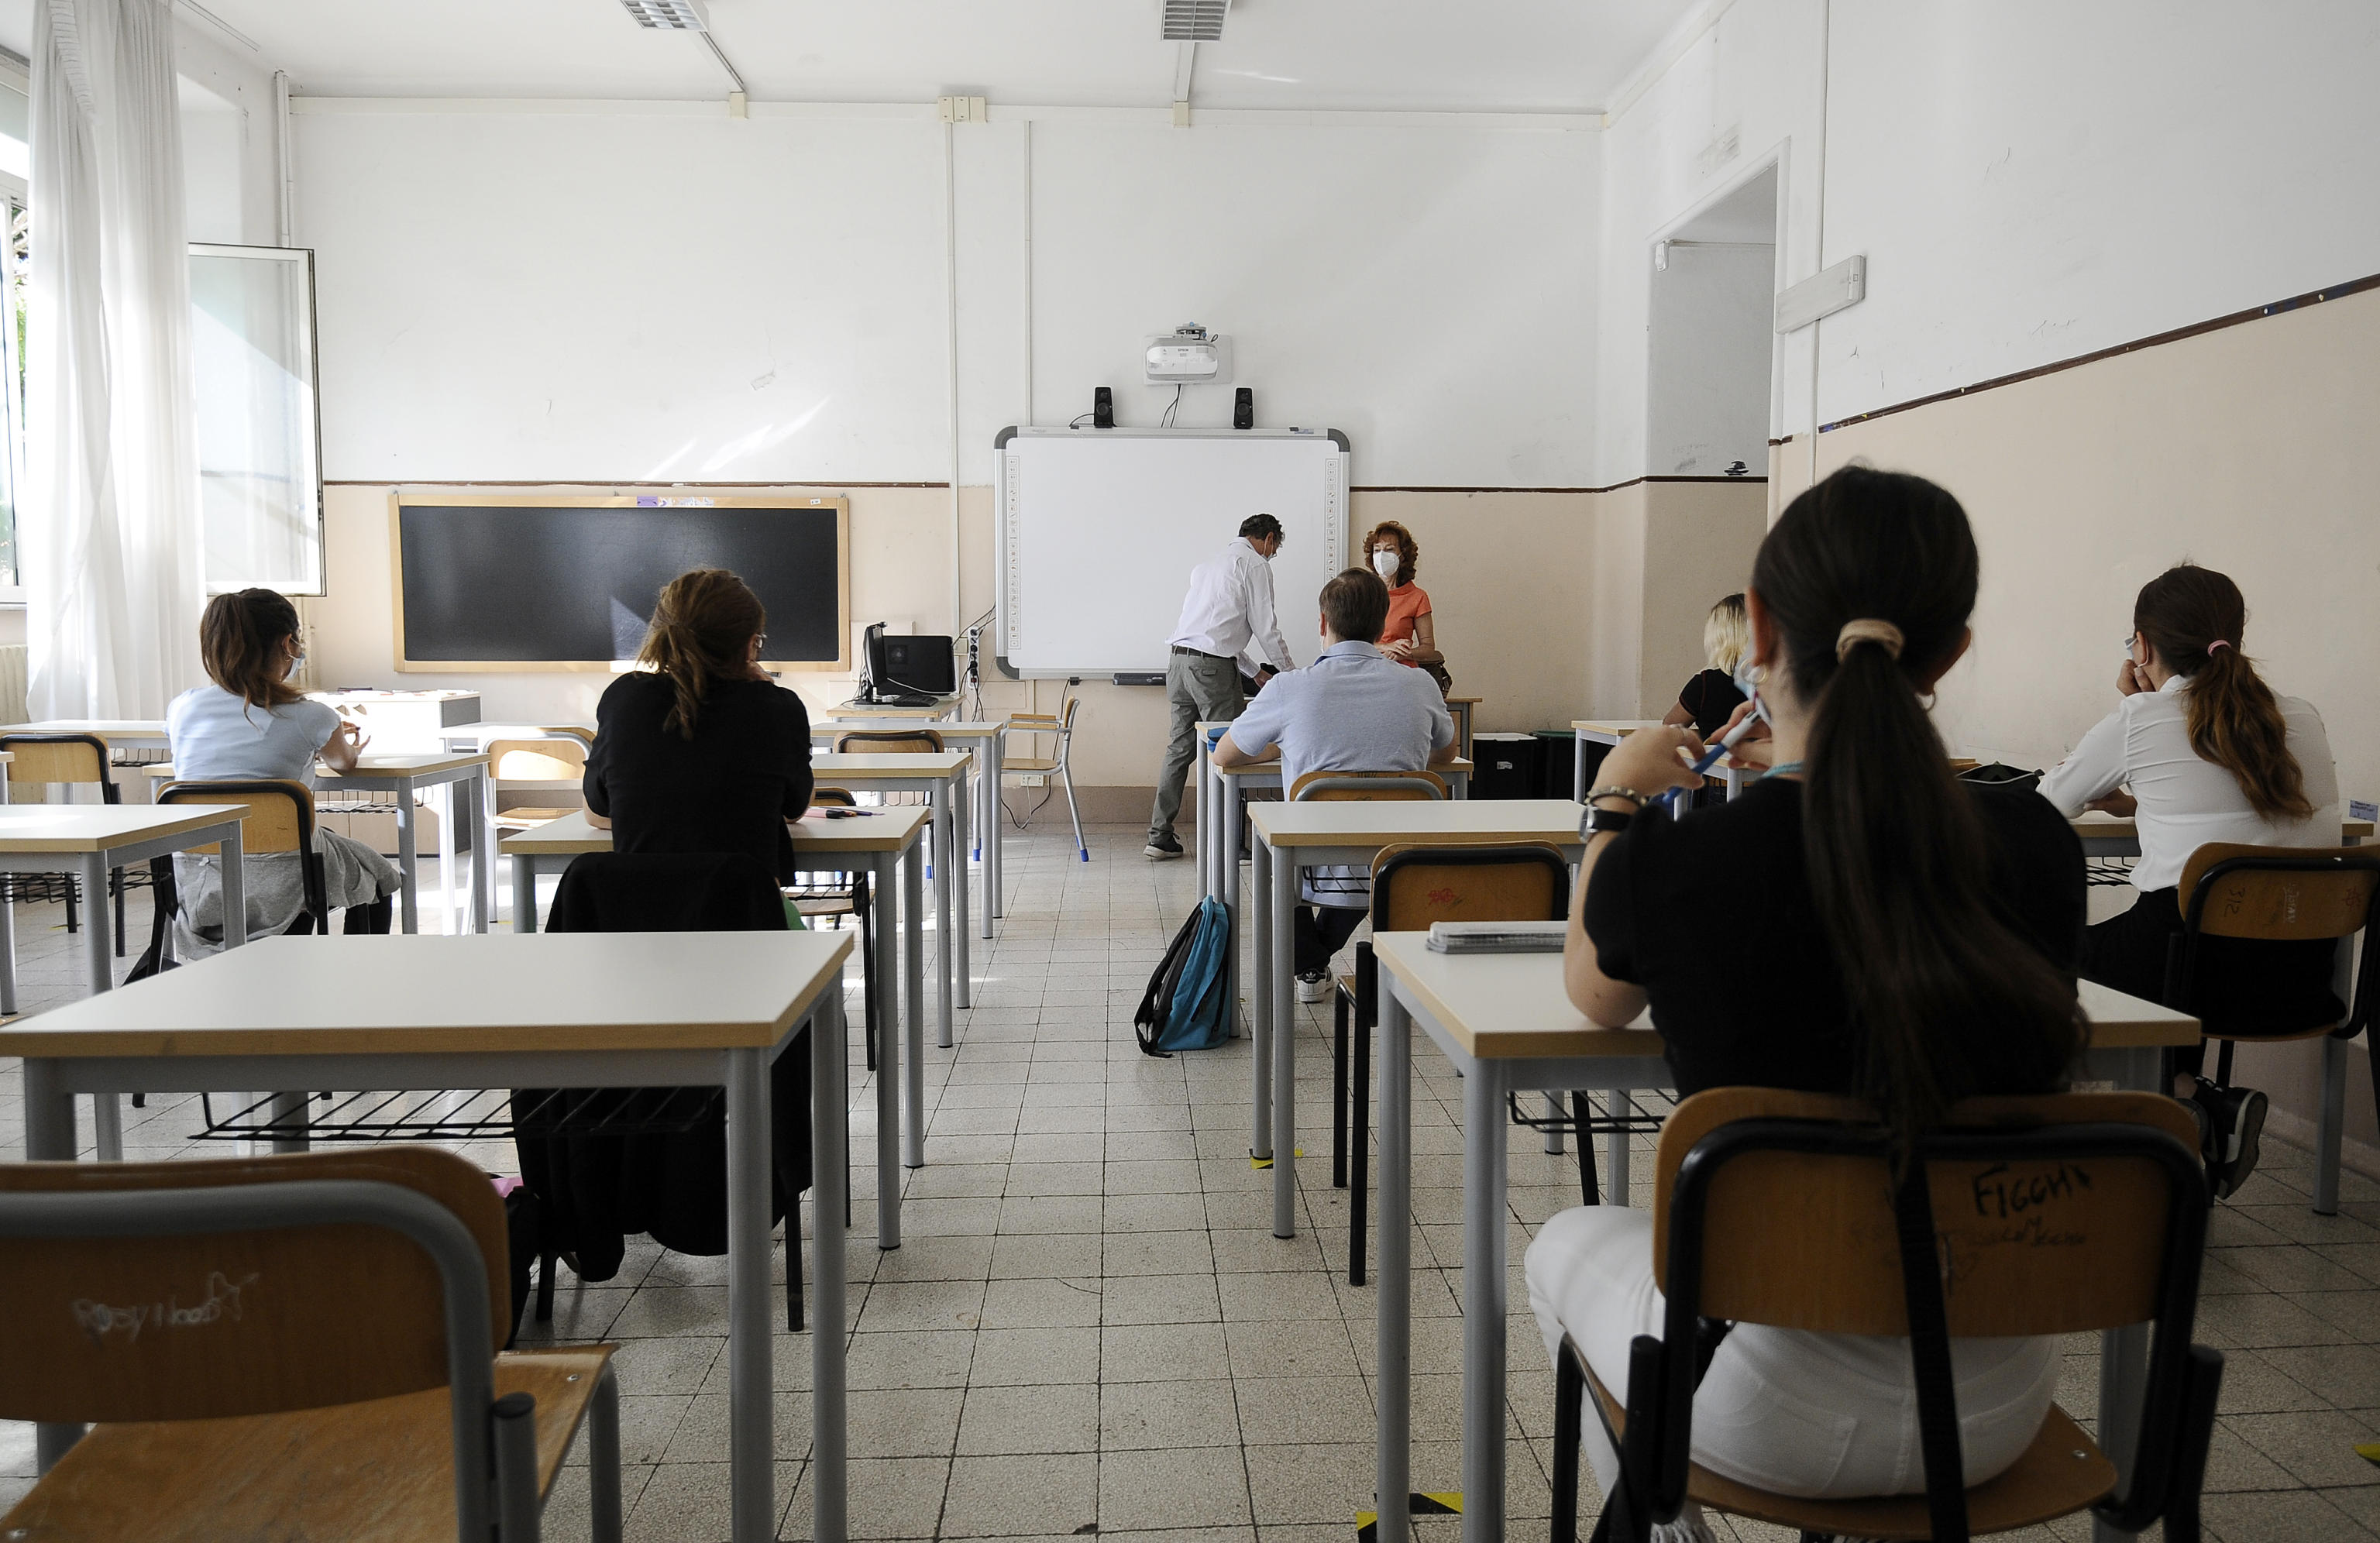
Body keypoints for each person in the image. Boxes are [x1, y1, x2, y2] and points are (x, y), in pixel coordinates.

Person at [1532, 466, 2086, 1538]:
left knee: (1560, 1243)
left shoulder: (1687, 857)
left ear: (1763, 635)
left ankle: (1661, 1520)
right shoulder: (2041, 848)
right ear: (1951, 653)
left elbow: (1593, 999)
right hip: (1998, 1398)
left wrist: (1613, 803)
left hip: (1756, 1397)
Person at [2039, 563, 2340, 1198]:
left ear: (2143, 646)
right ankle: (2197, 1105)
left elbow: (2044, 807)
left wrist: (2136, 712)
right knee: (2178, 936)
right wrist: (2149, 795)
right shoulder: (2303, 716)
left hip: (2188, 982)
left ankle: (2177, 1114)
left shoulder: (2142, 718)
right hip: (2302, 980)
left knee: (2050, 960)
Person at [1214, 566, 1456, 1000]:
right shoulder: (1420, 685)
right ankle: (1317, 963)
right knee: (1361, 862)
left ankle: (1305, 962)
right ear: (1383, 625)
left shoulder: (1290, 687)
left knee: (1275, 857)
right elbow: (1445, 755)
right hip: (1402, 863)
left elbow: (1226, 755)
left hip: (1314, 861)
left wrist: (1284, 745)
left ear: (1323, 624)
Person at [166, 589, 401, 951]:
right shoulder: (312, 716)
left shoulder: (181, 708)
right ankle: (361, 976)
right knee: (379, 875)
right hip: (285, 873)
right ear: (288, 644)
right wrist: (343, 741)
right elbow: (343, 763)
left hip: (198, 874)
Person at [585, 569, 814, 900]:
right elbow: (794, 810)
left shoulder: (623, 698)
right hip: (750, 930)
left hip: (640, 929)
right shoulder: (777, 707)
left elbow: (596, 812)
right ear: (751, 646)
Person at [1146, 513, 1298, 860]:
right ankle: (1227, 843)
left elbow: (1216, 633)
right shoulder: (1255, 565)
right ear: (1270, 540)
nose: (1271, 556)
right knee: (1230, 751)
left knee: (1180, 748)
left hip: (1179, 663)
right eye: (1273, 550)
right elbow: (1266, 629)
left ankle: (1159, 836)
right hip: (1212, 672)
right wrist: (1290, 673)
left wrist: (1256, 672)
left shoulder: (1209, 565)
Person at [1361, 520, 1450, 695]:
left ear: (1403, 555)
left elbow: (1428, 648)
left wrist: (1404, 653)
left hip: (1403, 677)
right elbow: (1350, 642)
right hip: (1366, 673)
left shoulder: (1417, 596)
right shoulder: (1363, 593)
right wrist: (1385, 647)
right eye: (1377, 550)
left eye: (1389, 550)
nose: (1381, 555)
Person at [1663, 593, 1749, 735]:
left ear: (1717, 636)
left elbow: (1669, 727)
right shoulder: (1778, 683)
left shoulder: (1705, 684)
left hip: (1715, 756)